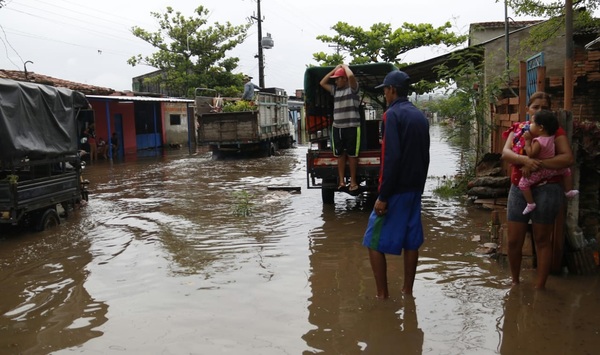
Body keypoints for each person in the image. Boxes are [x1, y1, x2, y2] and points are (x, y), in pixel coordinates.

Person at [362, 70, 430, 298]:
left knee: (372, 240)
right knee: (411, 242)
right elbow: (425, 156)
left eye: (385, 90)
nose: (384, 94)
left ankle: (382, 296)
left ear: (391, 89)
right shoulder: (419, 116)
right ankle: (407, 292)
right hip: (414, 188)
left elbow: (391, 157)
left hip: (397, 189)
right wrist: (419, 187)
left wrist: (383, 195)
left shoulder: (392, 115)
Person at [501, 91, 575, 289]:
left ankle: (539, 288)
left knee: (542, 239)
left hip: (547, 189)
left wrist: (538, 163)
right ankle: (515, 282)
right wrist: (525, 160)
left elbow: (567, 158)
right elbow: (505, 153)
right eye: (536, 107)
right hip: (519, 188)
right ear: (528, 109)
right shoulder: (518, 129)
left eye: (544, 108)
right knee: (514, 240)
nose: (539, 111)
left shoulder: (555, 131)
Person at [519, 109, 579, 215]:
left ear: (541, 127)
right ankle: (568, 191)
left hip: (541, 171)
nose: (530, 125)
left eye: (533, 123)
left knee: (523, 184)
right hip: (554, 170)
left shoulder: (538, 141)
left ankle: (530, 203)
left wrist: (528, 142)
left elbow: (531, 154)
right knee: (566, 171)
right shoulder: (551, 137)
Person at [319, 64, 361, 192]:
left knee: (352, 155)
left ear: (344, 79)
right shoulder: (335, 90)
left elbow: (351, 76)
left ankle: (353, 182)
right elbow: (322, 82)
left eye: (338, 78)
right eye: (335, 79)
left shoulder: (353, 89)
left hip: (352, 127)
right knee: (340, 155)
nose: (335, 81)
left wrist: (345, 67)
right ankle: (342, 181)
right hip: (338, 128)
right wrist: (335, 69)